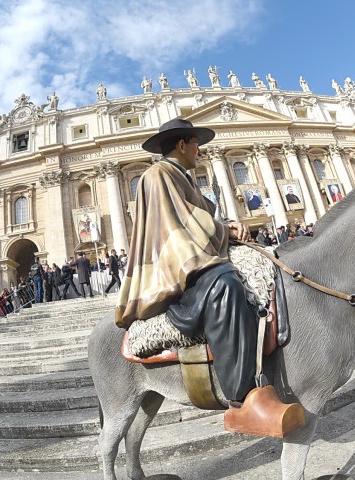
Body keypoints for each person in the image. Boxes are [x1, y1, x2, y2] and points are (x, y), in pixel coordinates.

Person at [117, 118, 300, 438]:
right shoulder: (158, 174)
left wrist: (229, 228)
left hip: (196, 255)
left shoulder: (180, 177)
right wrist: (225, 229)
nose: (200, 150)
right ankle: (242, 401)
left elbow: (203, 218)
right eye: (196, 144)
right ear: (182, 145)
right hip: (175, 266)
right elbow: (182, 223)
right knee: (226, 286)